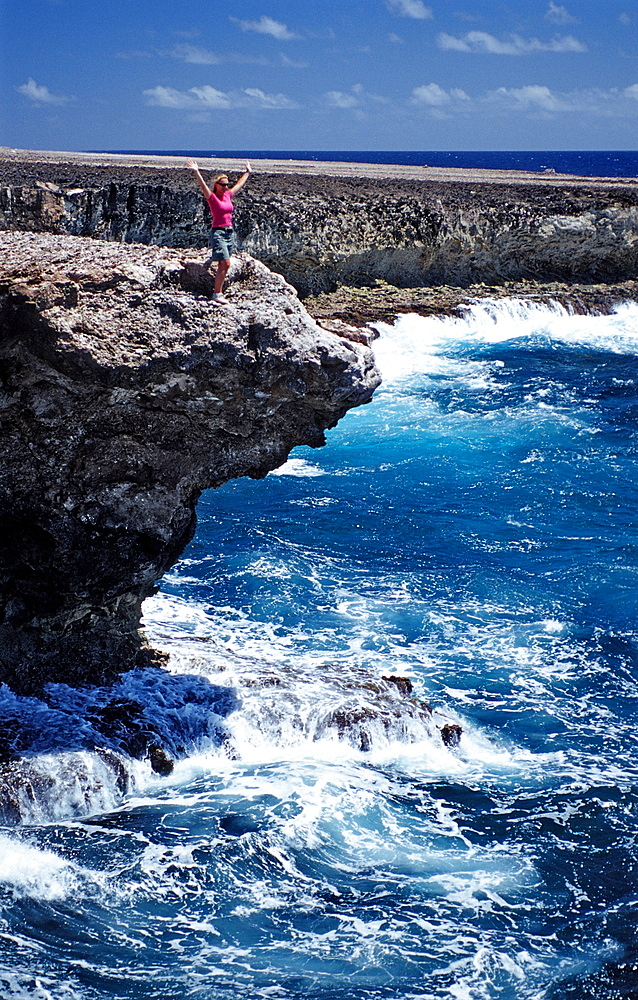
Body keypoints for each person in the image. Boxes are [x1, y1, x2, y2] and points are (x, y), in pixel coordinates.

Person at [187, 158, 252, 304]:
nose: (226, 187)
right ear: (216, 185)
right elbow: (203, 187)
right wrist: (196, 172)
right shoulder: (213, 197)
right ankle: (217, 294)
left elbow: (239, 185)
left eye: (227, 184)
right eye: (223, 185)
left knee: (223, 262)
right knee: (226, 263)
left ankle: (218, 285)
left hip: (229, 232)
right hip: (218, 232)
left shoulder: (227, 195)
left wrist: (247, 172)